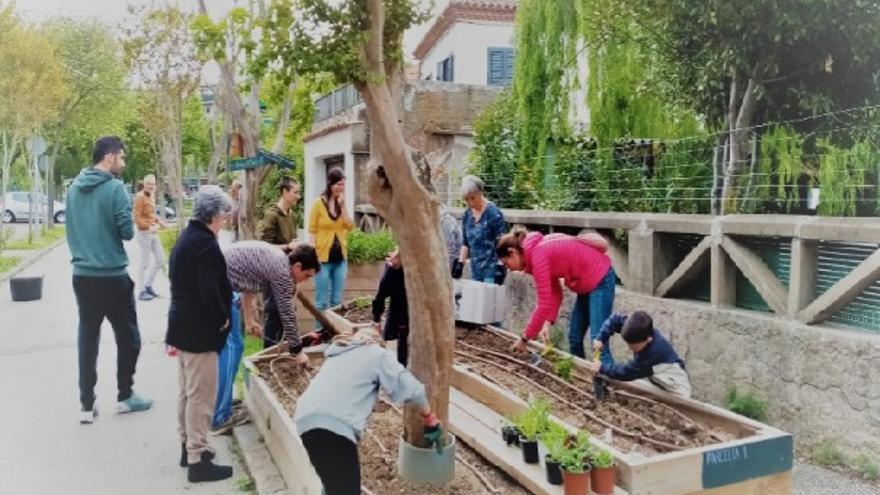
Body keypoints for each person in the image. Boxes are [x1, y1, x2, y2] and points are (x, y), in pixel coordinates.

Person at [294, 327, 444, 495]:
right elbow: (412, 389)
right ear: (377, 342)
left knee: (333, 482)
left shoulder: (339, 353)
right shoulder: (378, 354)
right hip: (334, 425)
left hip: (305, 419)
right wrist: (430, 419)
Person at [66, 136, 153, 424]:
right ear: (109, 157)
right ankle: (125, 396)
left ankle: (85, 405)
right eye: (122, 157)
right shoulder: (115, 188)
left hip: (82, 276)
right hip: (112, 276)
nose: (124, 163)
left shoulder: (72, 190)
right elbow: (127, 233)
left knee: (87, 338)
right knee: (129, 338)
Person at [212, 241, 321, 433]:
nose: (306, 280)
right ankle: (219, 418)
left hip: (223, 283)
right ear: (297, 266)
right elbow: (287, 313)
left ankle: (225, 402)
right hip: (215, 285)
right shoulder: (282, 273)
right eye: (307, 275)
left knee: (236, 346)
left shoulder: (279, 260)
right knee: (228, 350)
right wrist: (297, 351)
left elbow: (247, 284)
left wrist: (250, 319)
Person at [165, 186, 235, 482]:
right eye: (224, 215)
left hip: (182, 326)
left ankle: (189, 446)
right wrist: (222, 320)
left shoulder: (186, 237)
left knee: (187, 392)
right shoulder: (205, 243)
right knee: (201, 396)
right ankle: (198, 459)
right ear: (215, 214)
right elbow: (208, 289)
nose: (226, 220)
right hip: (199, 331)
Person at [498, 227, 617, 363]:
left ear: (512, 252)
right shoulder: (535, 253)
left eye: (506, 264)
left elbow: (543, 305)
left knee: (598, 342)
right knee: (574, 338)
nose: (509, 269)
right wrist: (547, 323)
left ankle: (604, 382)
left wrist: (525, 339)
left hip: (600, 278)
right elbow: (555, 293)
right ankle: (583, 377)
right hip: (586, 282)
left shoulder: (538, 256)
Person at [588, 311, 692, 398]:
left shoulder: (653, 352)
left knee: (675, 406)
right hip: (658, 378)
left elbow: (627, 372)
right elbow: (614, 320)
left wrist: (603, 368)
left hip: (676, 386)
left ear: (648, 339)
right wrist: (601, 339)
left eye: (633, 346)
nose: (630, 348)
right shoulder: (635, 327)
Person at [258, 176, 302, 348]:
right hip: (271, 272)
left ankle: (282, 353)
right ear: (284, 192)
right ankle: (266, 355)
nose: (298, 196)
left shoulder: (293, 215)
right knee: (273, 316)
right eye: (295, 192)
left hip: (287, 273)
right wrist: (288, 246)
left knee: (286, 315)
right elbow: (263, 247)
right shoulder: (271, 216)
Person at [308, 167, 353, 332]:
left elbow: (349, 226)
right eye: (338, 184)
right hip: (323, 259)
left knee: (336, 301)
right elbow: (311, 230)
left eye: (343, 185)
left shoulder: (342, 203)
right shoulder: (318, 204)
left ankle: (335, 332)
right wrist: (314, 256)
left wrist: (344, 206)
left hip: (340, 258)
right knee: (321, 301)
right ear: (330, 183)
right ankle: (320, 334)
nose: (340, 188)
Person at [454, 175, 506, 284]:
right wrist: (460, 263)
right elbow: (466, 243)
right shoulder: (467, 215)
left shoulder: (493, 213)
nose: (470, 203)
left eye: (473, 198)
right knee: (477, 299)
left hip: (491, 268)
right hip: (475, 268)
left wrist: (501, 266)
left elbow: (502, 241)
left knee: (487, 299)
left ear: (480, 193)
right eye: (466, 199)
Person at [371, 251, 409, 365]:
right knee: (403, 340)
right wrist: (376, 318)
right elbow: (381, 294)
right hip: (402, 312)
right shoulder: (393, 269)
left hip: (417, 313)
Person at [133, 174, 166, 301]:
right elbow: (136, 217)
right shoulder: (140, 197)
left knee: (160, 260)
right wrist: (148, 227)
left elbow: (151, 214)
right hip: (144, 234)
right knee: (144, 263)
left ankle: (148, 286)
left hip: (153, 233)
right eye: (149, 184)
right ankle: (141, 291)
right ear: (144, 184)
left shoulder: (151, 195)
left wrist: (160, 221)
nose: (151, 186)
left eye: (153, 184)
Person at [439, 204, 462, 272]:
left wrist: (446, 271)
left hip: (454, 259)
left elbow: (450, 248)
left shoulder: (446, 221)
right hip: (445, 257)